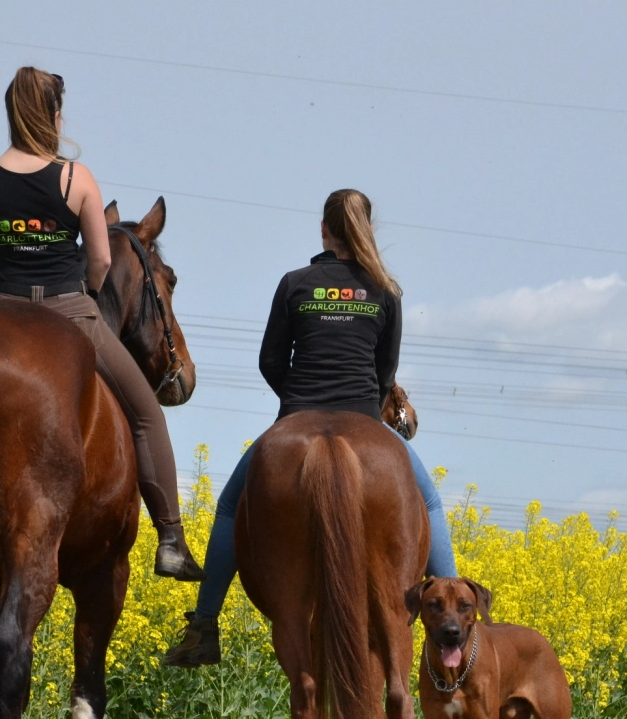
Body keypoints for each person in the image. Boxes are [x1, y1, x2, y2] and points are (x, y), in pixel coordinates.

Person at [163, 188, 457, 666]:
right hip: (366, 417)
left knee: (231, 504)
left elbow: (270, 361)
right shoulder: (386, 290)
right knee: (429, 499)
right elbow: (386, 373)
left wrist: (298, 406)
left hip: (298, 415)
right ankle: (460, 622)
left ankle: (204, 625)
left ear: (323, 229)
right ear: (368, 229)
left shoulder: (295, 283)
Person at [0, 67, 202, 580]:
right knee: (145, 416)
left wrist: (4, 297)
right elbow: (99, 262)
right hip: (72, 311)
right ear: (53, 114)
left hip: (4, 311)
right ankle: (172, 540)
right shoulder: (76, 179)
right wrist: (82, 297)